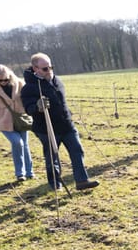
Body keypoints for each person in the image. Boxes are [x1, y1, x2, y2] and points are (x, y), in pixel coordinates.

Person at [20, 52, 99, 191]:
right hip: (47, 129)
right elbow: (28, 109)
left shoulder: (57, 81)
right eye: (45, 68)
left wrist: (69, 115)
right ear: (35, 69)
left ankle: (82, 181)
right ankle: (55, 184)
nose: (49, 70)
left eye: (51, 67)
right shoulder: (29, 87)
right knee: (52, 158)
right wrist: (38, 106)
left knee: (77, 150)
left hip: (67, 125)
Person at [0, 65, 34, 181]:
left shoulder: (19, 83)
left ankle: (29, 172)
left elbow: (27, 99)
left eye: (6, 79)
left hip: (21, 119)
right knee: (17, 142)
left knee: (25, 144)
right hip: (3, 121)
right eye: (0, 80)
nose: (3, 82)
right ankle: (20, 173)